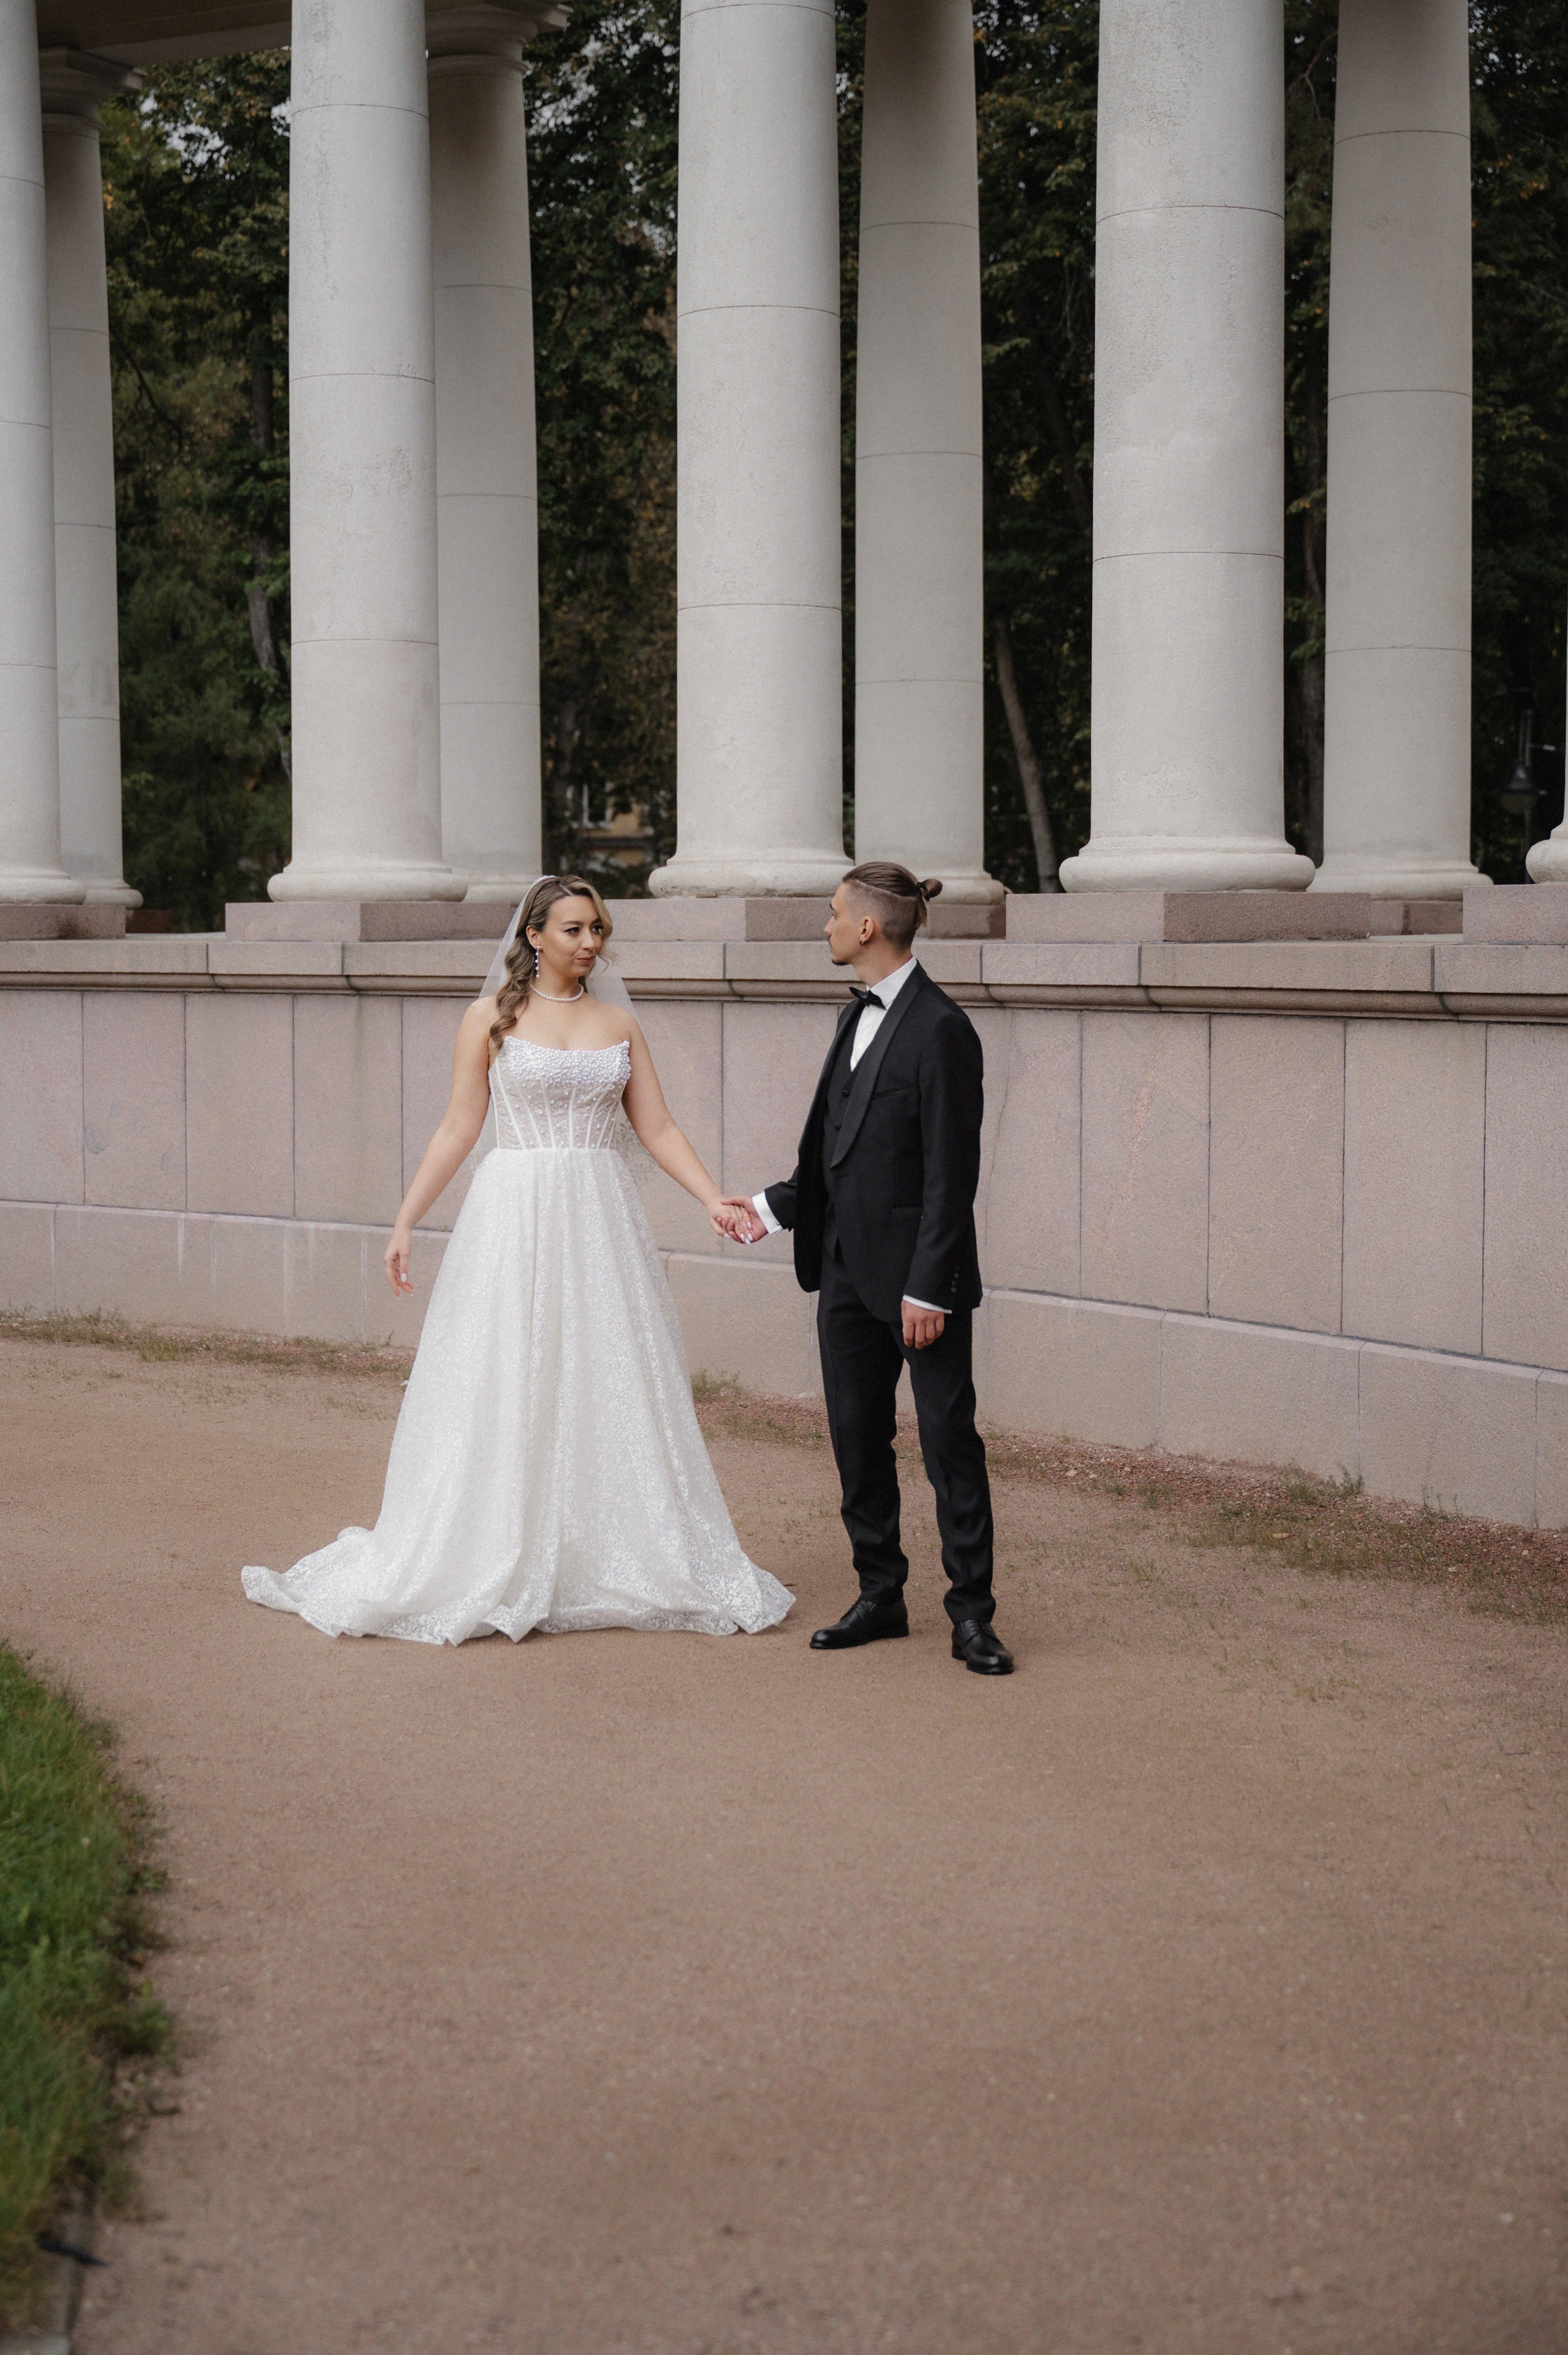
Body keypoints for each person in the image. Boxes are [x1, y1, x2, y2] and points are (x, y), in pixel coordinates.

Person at [243, 875, 792, 1644]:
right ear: (534, 935)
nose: (590, 942)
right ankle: (492, 1543)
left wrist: (710, 1197)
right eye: (573, 929)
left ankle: (600, 1548)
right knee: (504, 1368)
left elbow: (658, 1127)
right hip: (513, 1214)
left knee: (602, 1370)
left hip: (598, 1216)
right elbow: (457, 1127)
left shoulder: (618, 1023)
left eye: (597, 929)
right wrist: (406, 1220)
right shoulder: (488, 1019)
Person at [724, 862, 1011, 1675]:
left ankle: (972, 1615)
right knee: (856, 1436)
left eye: (833, 913)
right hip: (844, 1272)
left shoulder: (944, 1028)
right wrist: (770, 1207)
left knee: (949, 1442)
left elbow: (951, 1175)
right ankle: (881, 1594)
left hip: (920, 1284)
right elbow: (837, 1149)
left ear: (866, 927)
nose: (825, 925)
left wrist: (929, 1287)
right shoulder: (854, 1016)